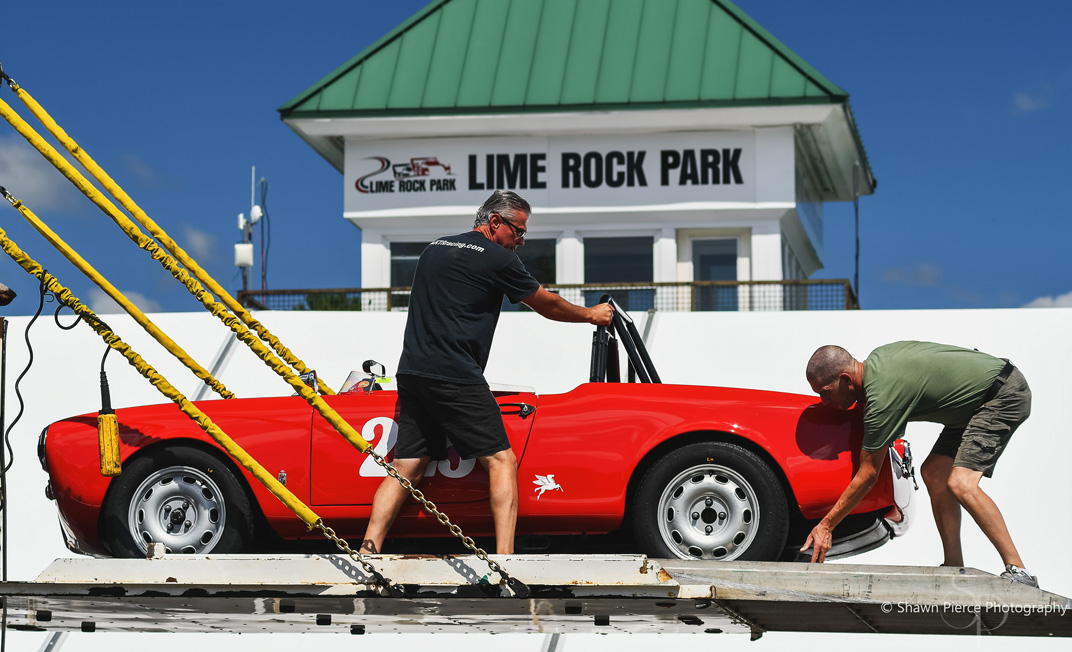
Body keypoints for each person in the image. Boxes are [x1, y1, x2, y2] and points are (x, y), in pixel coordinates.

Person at [360, 190, 613, 555]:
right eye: (519, 231)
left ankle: (368, 551)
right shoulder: (497, 258)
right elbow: (547, 304)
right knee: (501, 460)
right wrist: (592, 314)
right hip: (454, 372)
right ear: (495, 222)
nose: (521, 241)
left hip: (412, 371)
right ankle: (506, 560)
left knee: (407, 465)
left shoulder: (433, 248)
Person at [802, 341, 1037, 587]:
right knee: (934, 472)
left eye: (825, 392)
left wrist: (826, 526)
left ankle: (1019, 571)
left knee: (962, 484)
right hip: (974, 403)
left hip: (1001, 396)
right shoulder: (879, 360)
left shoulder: (882, 398)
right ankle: (954, 566)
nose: (824, 401)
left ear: (846, 380)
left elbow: (869, 474)